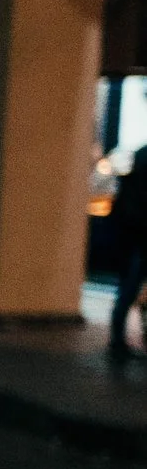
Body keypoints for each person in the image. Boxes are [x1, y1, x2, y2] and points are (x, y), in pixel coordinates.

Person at [108, 154, 147, 362]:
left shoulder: (129, 185)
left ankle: (118, 339)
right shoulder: (138, 188)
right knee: (129, 292)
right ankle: (119, 340)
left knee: (127, 292)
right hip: (138, 246)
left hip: (131, 246)